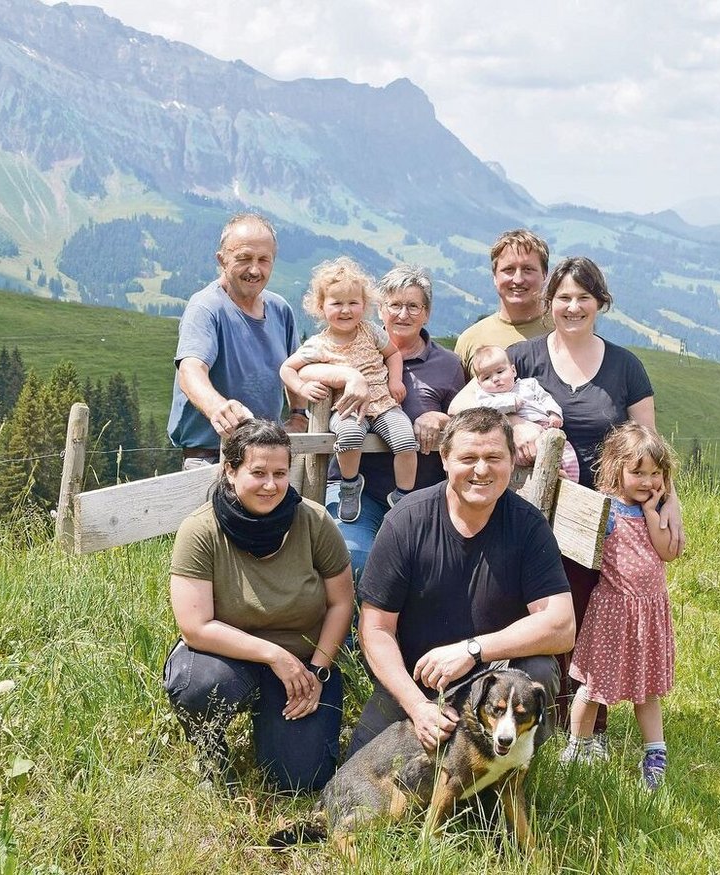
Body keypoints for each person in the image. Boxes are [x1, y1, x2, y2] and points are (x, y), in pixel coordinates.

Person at [507, 255, 685, 748]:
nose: (572, 306)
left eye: (583, 297)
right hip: (534, 511)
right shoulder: (524, 359)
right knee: (536, 608)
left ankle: (589, 730)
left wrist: (669, 503)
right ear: (549, 303)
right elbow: (480, 412)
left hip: (606, 521)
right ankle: (528, 715)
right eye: (563, 297)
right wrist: (517, 426)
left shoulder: (625, 366)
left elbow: (651, 443)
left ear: (599, 303)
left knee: (596, 614)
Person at [348, 407, 575, 757]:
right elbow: (375, 629)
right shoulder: (406, 521)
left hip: (494, 686)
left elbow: (561, 626)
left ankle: (507, 776)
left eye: (493, 457)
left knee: (539, 668)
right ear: (444, 459)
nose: (481, 469)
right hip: (417, 681)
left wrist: (473, 649)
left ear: (512, 461)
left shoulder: (528, 527)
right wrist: (417, 707)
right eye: (468, 457)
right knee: (365, 789)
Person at [161, 419, 353, 793]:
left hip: (304, 664)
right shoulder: (200, 530)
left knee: (300, 780)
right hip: (227, 657)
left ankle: (277, 727)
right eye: (258, 472)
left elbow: (342, 602)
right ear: (230, 471)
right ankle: (211, 757)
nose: (271, 484)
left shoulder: (314, 521)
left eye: (280, 473)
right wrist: (272, 655)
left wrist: (318, 671)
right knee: (198, 686)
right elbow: (195, 626)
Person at [300, 265, 465, 578]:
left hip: (419, 497)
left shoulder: (448, 365)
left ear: (426, 313)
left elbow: (464, 422)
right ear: (379, 309)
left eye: (413, 306)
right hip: (356, 495)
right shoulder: (348, 344)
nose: (403, 314)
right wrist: (348, 376)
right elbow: (302, 369)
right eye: (395, 305)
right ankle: (348, 629)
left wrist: (439, 417)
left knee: (425, 572)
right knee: (352, 561)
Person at [560, 423, 681, 790]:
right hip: (612, 613)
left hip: (648, 614)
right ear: (617, 470)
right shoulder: (606, 509)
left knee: (647, 690)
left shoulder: (657, 509)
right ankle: (577, 747)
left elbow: (669, 551)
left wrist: (651, 511)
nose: (647, 481)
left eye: (655, 473)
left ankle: (655, 754)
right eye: (638, 472)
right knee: (593, 687)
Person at [281, 257, 418, 524]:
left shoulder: (371, 332)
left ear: (364, 306)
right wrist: (302, 387)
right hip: (347, 408)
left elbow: (393, 355)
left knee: (405, 440)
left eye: (353, 303)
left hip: (384, 404)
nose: (346, 310)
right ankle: (350, 485)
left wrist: (395, 381)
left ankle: (403, 495)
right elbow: (287, 368)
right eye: (337, 303)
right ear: (320, 307)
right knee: (349, 438)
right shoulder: (319, 344)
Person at [167, 213, 306, 469]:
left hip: (268, 457)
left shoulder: (280, 309)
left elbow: (296, 367)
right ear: (222, 260)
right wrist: (218, 408)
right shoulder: (206, 307)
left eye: (264, 260)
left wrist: (298, 414)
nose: (255, 269)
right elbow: (190, 370)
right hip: (211, 457)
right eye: (244, 259)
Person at [454, 343, 580, 482]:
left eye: (500, 372)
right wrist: (511, 404)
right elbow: (488, 408)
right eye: (486, 377)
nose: (495, 379)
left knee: (567, 454)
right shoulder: (486, 396)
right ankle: (551, 476)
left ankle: (569, 481)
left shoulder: (529, 384)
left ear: (513, 370)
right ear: (479, 383)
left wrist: (554, 413)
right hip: (513, 440)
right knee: (529, 456)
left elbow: (545, 398)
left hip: (545, 427)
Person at [453, 229, 553, 370]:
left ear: (544, 275)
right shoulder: (470, 341)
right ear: (495, 276)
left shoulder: (563, 332)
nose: (518, 279)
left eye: (528, 269)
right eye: (509, 270)